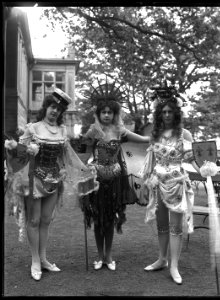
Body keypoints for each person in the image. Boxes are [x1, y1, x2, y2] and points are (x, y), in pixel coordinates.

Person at [4, 88, 98, 281]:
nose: (54, 111)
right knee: (34, 221)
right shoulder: (33, 128)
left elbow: (68, 156)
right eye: (52, 107)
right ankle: (35, 260)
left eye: (59, 109)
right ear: (46, 107)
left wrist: (86, 170)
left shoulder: (63, 131)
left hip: (54, 181)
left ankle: (44, 258)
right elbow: (18, 154)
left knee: (46, 220)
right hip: (34, 181)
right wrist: (19, 148)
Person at [79, 80, 150, 271]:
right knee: (97, 218)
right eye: (104, 112)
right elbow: (85, 154)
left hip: (116, 181)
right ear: (99, 113)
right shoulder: (93, 131)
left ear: (114, 113)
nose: (107, 115)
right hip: (96, 181)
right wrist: (83, 170)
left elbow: (144, 139)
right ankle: (99, 256)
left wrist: (160, 134)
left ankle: (109, 257)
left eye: (110, 112)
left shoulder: (120, 131)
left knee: (109, 218)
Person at [140, 83, 201, 285]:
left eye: (170, 111)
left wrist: (204, 170)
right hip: (158, 184)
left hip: (176, 184)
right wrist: (147, 181)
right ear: (159, 113)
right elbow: (151, 161)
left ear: (175, 112)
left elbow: (192, 159)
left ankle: (174, 265)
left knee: (176, 227)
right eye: (163, 111)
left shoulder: (185, 135)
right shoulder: (155, 134)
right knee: (161, 224)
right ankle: (162, 259)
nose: (166, 114)